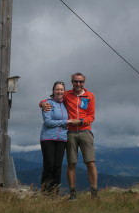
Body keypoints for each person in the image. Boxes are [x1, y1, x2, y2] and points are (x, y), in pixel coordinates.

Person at [41, 72, 97, 200]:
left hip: (85, 130)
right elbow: (52, 98)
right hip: (70, 132)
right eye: (76, 81)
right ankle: (72, 194)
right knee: (71, 163)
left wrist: (81, 121)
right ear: (72, 82)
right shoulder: (67, 94)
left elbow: (91, 116)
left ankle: (94, 192)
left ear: (84, 82)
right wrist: (41, 103)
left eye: (81, 82)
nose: (78, 84)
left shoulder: (90, 96)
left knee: (90, 162)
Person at [39, 81, 73, 195]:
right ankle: (45, 193)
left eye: (62, 89)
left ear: (64, 91)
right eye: (57, 89)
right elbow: (48, 122)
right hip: (48, 138)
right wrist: (66, 122)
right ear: (53, 91)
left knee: (57, 166)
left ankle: (55, 193)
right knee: (49, 165)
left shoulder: (65, 104)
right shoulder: (48, 103)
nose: (59, 91)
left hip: (62, 139)